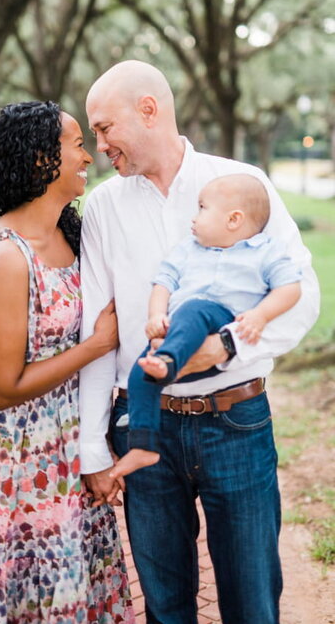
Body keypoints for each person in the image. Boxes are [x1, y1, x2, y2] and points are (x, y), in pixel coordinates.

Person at [78, 60, 320, 624]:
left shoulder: (242, 183)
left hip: (235, 423)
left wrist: (229, 348)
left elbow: (300, 293)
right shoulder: (104, 208)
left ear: (148, 110)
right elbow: (98, 332)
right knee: (165, 608)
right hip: (143, 425)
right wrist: (93, 444)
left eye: (104, 127)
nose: (99, 145)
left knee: (252, 601)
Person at [0, 101, 134, 623]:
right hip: (24, 456)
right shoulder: (8, 256)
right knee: (29, 580)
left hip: (72, 440)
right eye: (76, 144)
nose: (88, 156)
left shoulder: (72, 233)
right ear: (43, 159)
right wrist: (93, 347)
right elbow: (2, 386)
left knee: (73, 574)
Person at [111, 174, 302, 479]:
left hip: (219, 323)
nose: (194, 217)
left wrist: (260, 315)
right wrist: (156, 315)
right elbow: (163, 283)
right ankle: (143, 445)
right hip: (179, 334)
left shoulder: (266, 250)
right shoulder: (189, 249)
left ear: (234, 219)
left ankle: (168, 363)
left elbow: (290, 288)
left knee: (195, 308)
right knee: (139, 373)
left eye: (202, 208)